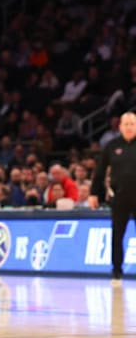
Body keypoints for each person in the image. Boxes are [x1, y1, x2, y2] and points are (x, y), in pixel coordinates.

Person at [89, 111, 136, 284]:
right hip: (119, 197)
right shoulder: (111, 146)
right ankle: (116, 270)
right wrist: (94, 193)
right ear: (120, 126)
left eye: (132, 124)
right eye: (126, 124)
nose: (130, 127)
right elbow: (100, 172)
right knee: (117, 235)